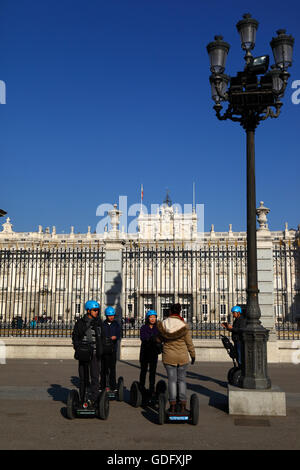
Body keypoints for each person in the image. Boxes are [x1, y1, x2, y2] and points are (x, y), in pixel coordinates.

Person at [157, 303, 195, 413]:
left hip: (169, 356)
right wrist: (192, 355)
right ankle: (183, 404)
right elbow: (189, 343)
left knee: (172, 381)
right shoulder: (183, 325)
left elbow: (159, 340)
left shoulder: (164, 324)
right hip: (182, 356)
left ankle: (172, 405)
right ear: (179, 312)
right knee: (182, 380)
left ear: (170, 312)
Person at [72, 300, 104, 405]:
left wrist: (101, 348)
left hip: (95, 354)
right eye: (95, 310)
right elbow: (75, 336)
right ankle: (82, 398)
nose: (96, 312)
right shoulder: (80, 322)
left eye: (97, 310)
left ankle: (93, 399)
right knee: (83, 378)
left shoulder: (99, 322)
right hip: (84, 353)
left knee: (95, 377)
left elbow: (103, 336)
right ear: (88, 310)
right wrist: (77, 347)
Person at [139, 309, 161, 398]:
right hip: (145, 352)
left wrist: (156, 340)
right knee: (143, 371)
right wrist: (152, 338)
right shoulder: (143, 328)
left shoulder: (157, 328)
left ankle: (152, 389)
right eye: (151, 317)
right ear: (147, 318)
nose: (152, 319)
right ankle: (141, 388)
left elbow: (160, 339)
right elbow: (143, 338)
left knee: (152, 372)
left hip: (153, 353)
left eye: (154, 317)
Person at [100, 306, 121, 393]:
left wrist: (116, 337)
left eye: (112, 315)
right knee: (104, 369)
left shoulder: (116, 324)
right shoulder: (103, 324)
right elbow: (100, 335)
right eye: (109, 315)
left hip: (113, 349)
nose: (111, 317)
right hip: (104, 349)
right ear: (106, 316)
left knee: (112, 368)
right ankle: (103, 385)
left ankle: (113, 385)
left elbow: (119, 334)